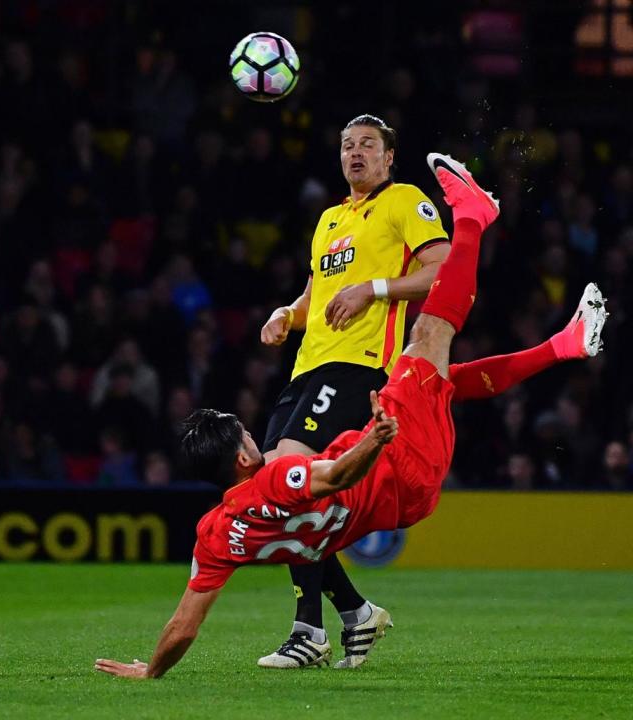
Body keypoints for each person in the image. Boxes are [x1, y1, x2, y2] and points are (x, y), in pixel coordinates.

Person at [94, 154, 606, 680]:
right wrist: (377, 438)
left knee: (440, 380)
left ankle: (564, 345)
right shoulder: (277, 477)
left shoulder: (216, 535)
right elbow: (334, 474)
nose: (256, 434)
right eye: (247, 433)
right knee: (428, 336)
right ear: (244, 455)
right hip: (400, 460)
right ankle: (474, 215)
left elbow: (183, 625)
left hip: (400, 502)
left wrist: (151, 671)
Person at [256, 114, 451, 668]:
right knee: (278, 490)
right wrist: (285, 314)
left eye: (368, 145)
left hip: (359, 367)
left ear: (390, 157)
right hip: (306, 371)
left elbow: (442, 270)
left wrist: (376, 288)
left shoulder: (404, 201)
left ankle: (308, 632)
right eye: (347, 145)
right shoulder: (329, 220)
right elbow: (316, 293)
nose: (356, 153)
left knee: (290, 477)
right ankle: (355, 613)